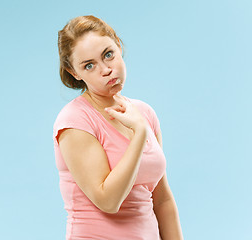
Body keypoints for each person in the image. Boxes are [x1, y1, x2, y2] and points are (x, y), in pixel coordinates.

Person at [53, 15, 183, 240]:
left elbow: (162, 201)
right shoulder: (76, 121)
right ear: (75, 72)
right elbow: (108, 201)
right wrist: (139, 134)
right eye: (89, 65)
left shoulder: (144, 113)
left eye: (108, 55)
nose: (105, 70)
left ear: (118, 45)